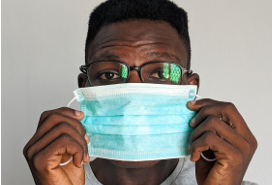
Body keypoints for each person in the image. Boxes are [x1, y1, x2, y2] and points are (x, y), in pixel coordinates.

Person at [23, 0, 257, 184]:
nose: (133, 95)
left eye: (161, 74)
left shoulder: (229, 182)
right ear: (85, 87)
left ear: (190, 87)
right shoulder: (53, 180)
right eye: (110, 75)